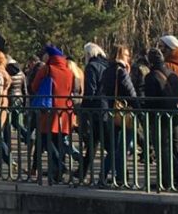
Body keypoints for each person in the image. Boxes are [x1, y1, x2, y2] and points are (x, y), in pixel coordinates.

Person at [30, 45, 74, 184]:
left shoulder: (47, 69)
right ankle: (58, 174)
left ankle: (60, 167)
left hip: (48, 110)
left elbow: (34, 86)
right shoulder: (69, 71)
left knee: (46, 139)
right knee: (59, 142)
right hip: (65, 110)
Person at [143, 47, 178, 187]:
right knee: (176, 148)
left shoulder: (151, 76)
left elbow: (150, 99)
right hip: (174, 115)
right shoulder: (173, 74)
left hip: (159, 117)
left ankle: (166, 180)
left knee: (163, 149)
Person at [98, 45, 136, 186]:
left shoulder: (107, 70)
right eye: (126, 54)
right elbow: (130, 92)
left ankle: (103, 176)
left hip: (111, 111)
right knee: (123, 148)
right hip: (124, 112)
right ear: (121, 56)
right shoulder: (122, 71)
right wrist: (138, 108)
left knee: (113, 148)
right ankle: (121, 177)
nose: (129, 57)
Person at [79, 42, 109, 182]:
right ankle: (82, 171)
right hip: (106, 107)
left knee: (107, 144)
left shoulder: (91, 67)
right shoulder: (106, 65)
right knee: (94, 143)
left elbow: (90, 90)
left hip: (96, 109)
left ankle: (121, 172)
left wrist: (83, 108)